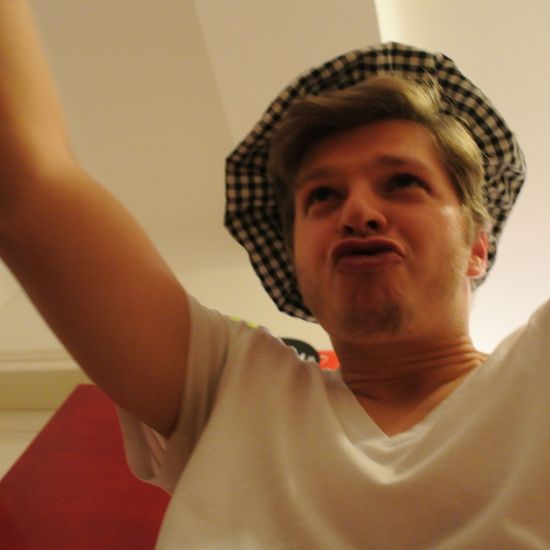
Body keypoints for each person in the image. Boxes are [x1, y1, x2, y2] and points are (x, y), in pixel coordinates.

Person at [1, 3, 547, 548]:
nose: (358, 212)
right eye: (323, 196)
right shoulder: (226, 384)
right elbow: (25, 179)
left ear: (477, 246)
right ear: (296, 261)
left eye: (403, 182)